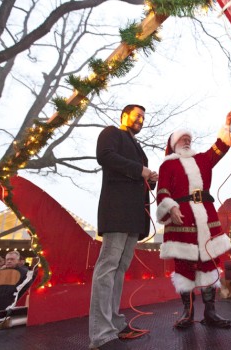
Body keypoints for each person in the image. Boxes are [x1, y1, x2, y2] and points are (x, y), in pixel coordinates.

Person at [156, 107, 231, 329]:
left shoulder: (202, 160)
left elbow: (220, 147)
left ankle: (210, 313)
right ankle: (187, 312)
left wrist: (227, 123)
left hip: (206, 218)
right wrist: (171, 207)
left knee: (210, 264)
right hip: (182, 220)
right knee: (184, 265)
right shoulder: (167, 164)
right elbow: (162, 191)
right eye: (182, 139)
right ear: (173, 144)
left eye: (188, 139)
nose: (186, 141)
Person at [89, 104, 158, 350]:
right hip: (117, 211)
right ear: (123, 116)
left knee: (119, 269)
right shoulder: (111, 133)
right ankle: (100, 334)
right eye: (137, 114)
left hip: (134, 215)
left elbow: (138, 176)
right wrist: (140, 170)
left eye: (143, 116)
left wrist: (150, 177)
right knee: (107, 267)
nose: (140, 118)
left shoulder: (138, 147)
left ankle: (115, 323)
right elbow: (105, 156)